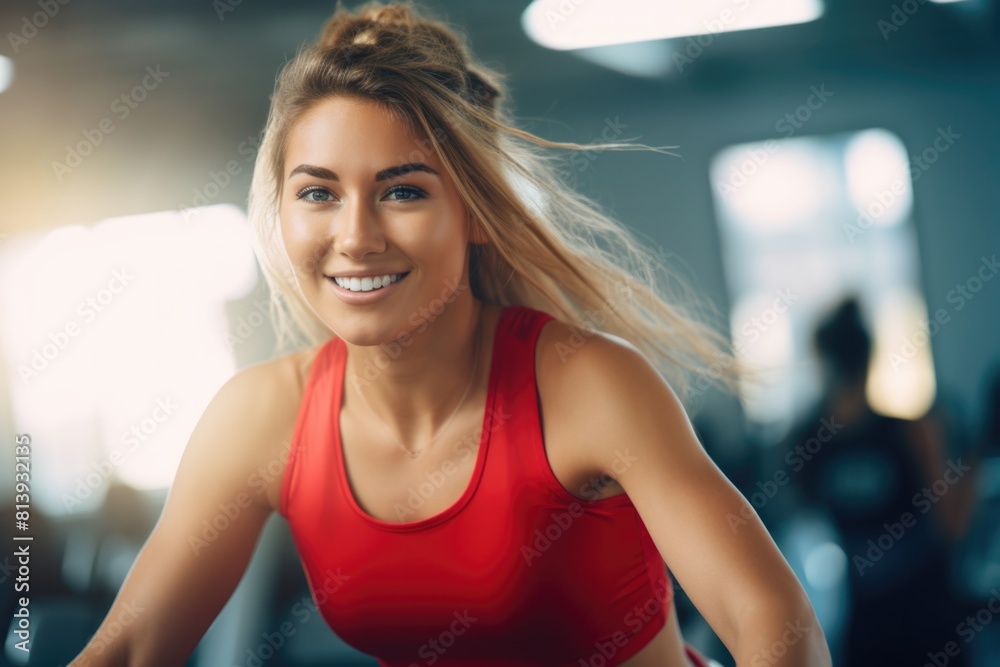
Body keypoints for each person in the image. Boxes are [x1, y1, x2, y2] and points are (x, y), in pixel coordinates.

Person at [69, 2, 832, 665]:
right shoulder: (261, 416)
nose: (356, 236)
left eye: (402, 191)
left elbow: (771, 618)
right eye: (318, 193)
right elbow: (131, 649)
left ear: (470, 212)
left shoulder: (588, 386)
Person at [783, 296, 978, 667]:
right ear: (870, 359)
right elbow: (954, 527)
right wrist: (974, 456)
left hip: (900, 617)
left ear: (824, 362)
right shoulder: (910, 433)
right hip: (899, 618)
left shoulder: (807, 441)